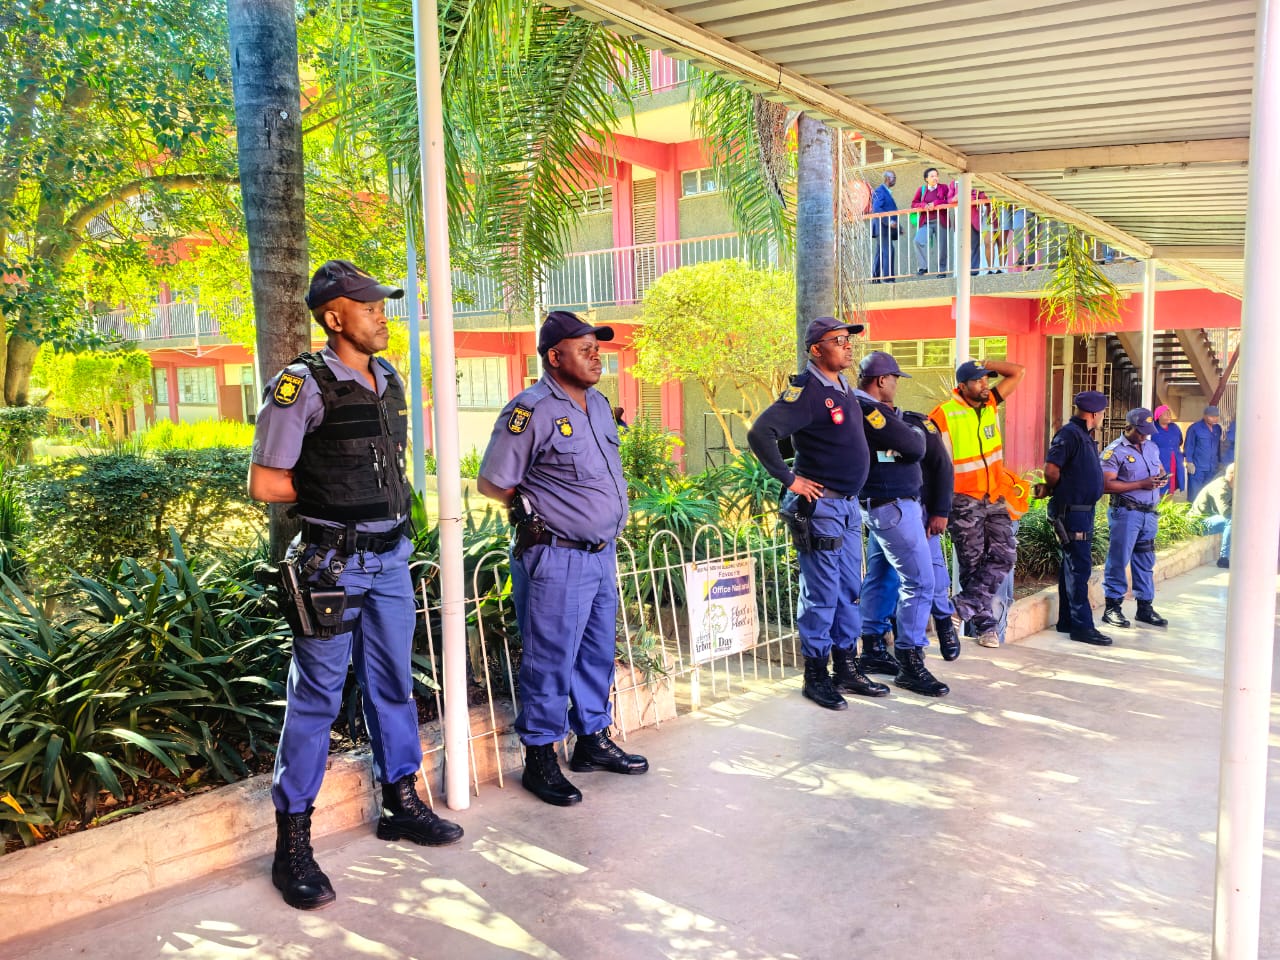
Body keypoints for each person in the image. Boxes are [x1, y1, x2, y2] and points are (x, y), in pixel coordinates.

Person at [249, 259, 463, 911]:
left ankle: (400, 803)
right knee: (315, 699)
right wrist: (329, 490)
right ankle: (292, 844)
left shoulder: (387, 377)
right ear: (335, 317)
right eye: (369, 307)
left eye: (381, 305)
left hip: (390, 559)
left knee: (392, 683)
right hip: (332, 566)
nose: (381, 316)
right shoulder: (301, 385)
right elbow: (266, 483)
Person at [477, 310, 646, 807]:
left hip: (599, 555)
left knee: (596, 653)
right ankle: (540, 757)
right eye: (585, 349)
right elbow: (493, 482)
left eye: (598, 348)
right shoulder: (529, 410)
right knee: (550, 659)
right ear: (555, 356)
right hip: (556, 556)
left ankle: (591, 740)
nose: (597, 357)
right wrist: (537, 509)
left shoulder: (598, 405)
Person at [748, 316, 888, 710]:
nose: (848, 345)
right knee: (822, 594)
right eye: (838, 340)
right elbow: (760, 433)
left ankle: (846, 667)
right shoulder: (808, 391)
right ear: (816, 349)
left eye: (848, 340)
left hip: (847, 506)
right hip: (821, 507)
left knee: (848, 591)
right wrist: (791, 480)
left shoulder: (842, 386)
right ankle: (816, 675)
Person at [852, 351, 950, 696]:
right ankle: (910, 660)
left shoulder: (867, 409)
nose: (896, 385)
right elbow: (915, 446)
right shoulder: (869, 410)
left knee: (880, 577)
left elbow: (911, 449)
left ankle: (873, 650)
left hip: (883, 507)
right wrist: (909, 442)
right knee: (920, 582)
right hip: (892, 506)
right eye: (894, 378)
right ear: (882, 380)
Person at [928, 357, 1026, 647]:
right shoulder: (944, 414)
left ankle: (959, 608)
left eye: (986, 379)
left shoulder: (990, 403)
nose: (985, 384)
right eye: (978, 380)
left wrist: (986, 363)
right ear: (962, 385)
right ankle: (986, 628)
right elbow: (932, 462)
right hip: (962, 499)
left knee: (1005, 555)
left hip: (994, 495)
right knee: (972, 564)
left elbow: (1018, 372)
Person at [860, 395, 960, 672]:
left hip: (922, 512)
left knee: (931, 574)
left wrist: (940, 511)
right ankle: (876, 645)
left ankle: (943, 623)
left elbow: (943, 467)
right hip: (885, 511)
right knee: (882, 577)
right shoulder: (866, 426)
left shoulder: (917, 424)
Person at [1033, 391, 1111, 646]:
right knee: (1079, 568)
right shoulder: (1069, 434)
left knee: (1072, 567)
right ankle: (1082, 626)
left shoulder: (1083, 435)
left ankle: (1067, 620)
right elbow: (1051, 470)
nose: (1103, 417)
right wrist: (1055, 488)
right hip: (1072, 511)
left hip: (1081, 510)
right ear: (1094, 413)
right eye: (1103, 413)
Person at [1099, 408, 1170, 629]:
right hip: (1126, 514)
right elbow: (1105, 485)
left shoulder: (1151, 446)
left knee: (1145, 560)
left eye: (1148, 431)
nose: (1144, 435)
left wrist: (1161, 479)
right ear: (1128, 427)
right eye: (1141, 431)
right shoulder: (1114, 452)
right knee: (1119, 560)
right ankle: (1112, 608)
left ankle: (1145, 607)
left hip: (1149, 513)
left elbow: (1159, 468)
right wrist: (1141, 484)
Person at [1192, 462, 1234, 568]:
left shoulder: (1230, 486)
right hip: (1198, 524)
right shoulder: (1221, 487)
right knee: (1232, 520)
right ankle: (1224, 558)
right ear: (1233, 475)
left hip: (1211, 520)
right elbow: (1225, 512)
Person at [910, 167, 951, 276]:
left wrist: (936, 203)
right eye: (932, 176)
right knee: (917, 241)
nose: (935, 178)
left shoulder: (943, 187)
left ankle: (942, 271)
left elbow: (948, 200)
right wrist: (923, 205)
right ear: (926, 179)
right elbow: (914, 203)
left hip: (940, 221)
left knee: (942, 247)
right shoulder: (922, 189)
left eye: (936, 175)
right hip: (926, 222)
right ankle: (923, 267)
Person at [1183, 405, 1223, 502]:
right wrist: (1189, 462)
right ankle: (1192, 510)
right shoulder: (1195, 428)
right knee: (1195, 494)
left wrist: (1220, 461)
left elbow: (1218, 446)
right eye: (1211, 416)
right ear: (1204, 416)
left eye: (1216, 416)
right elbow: (1189, 445)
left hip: (1212, 467)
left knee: (1209, 493)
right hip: (1197, 467)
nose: (1215, 419)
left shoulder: (1218, 428)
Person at [870, 170, 899, 282]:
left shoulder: (886, 192)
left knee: (881, 252)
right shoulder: (880, 191)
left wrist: (899, 227)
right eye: (893, 177)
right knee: (888, 250)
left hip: (885, 227)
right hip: (882, 227)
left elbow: (890, 210)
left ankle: (875, 278)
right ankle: (888, 279)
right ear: (887, 178)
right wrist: (889, 222)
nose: (895, 180)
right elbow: (877, 209)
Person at [1150, 405, 1185, 495]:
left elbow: (1180, 441)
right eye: (1166, 414)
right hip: (1160, 460)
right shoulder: (1152, 428)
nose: (1169, 416)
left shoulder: (1174, 427)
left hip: (1175, 459)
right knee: (1160, 486)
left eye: (1169, 413)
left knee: (1172, 485)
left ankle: (1168, 500)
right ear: (1158, 416)